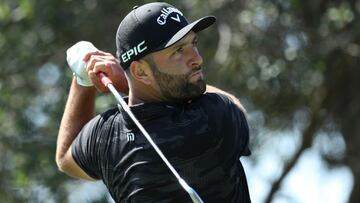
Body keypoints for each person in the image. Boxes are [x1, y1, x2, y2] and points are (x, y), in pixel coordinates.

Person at [56, 2, 251, 203]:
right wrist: (124, 83)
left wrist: (83, 78)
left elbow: (65, 158)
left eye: (193, 44)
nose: (197, 59)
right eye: (178, 51)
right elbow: (235, 106)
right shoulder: (209, 118)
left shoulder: (105, 138)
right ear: (140, 71)